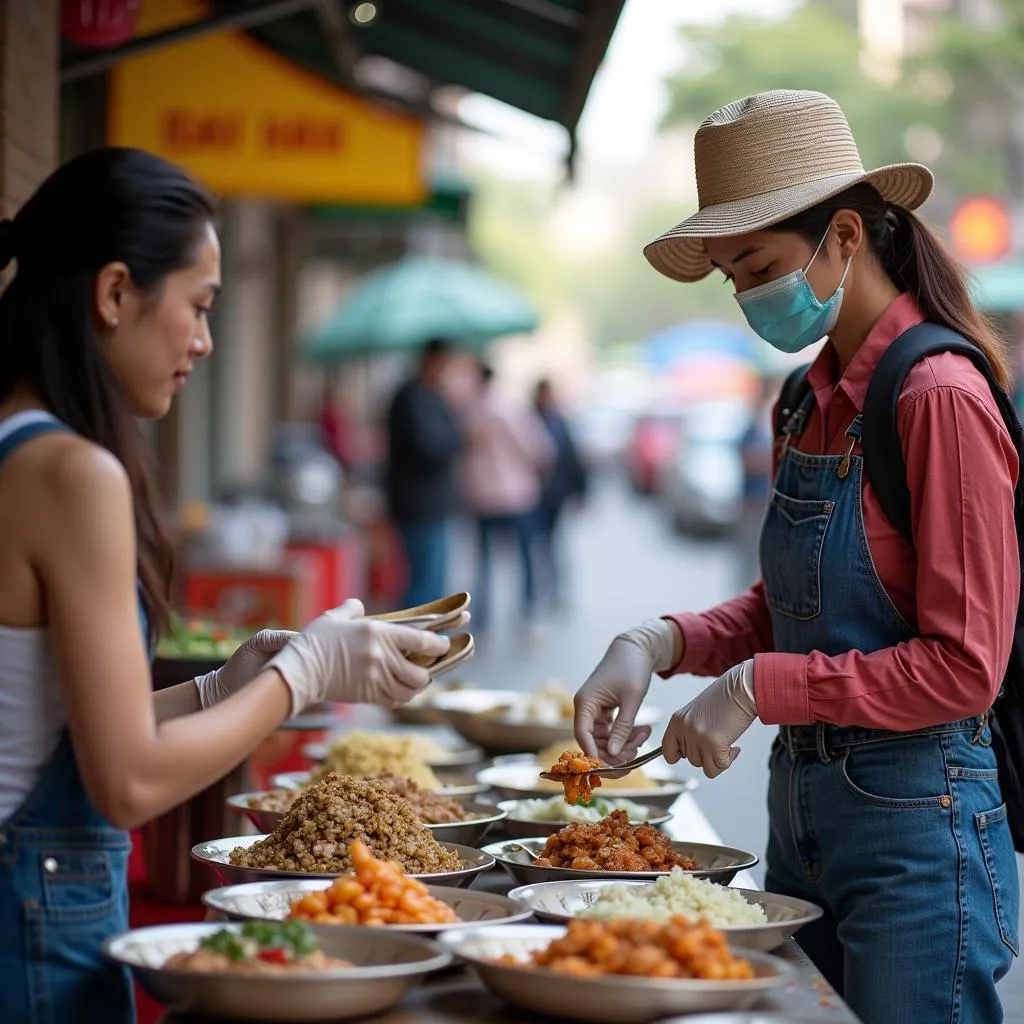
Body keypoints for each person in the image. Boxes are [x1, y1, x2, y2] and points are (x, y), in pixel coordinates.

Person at [573, 90, 1020, 1024]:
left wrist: (755, 690)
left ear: (845, 235)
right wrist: (654, 642)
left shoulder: (936, 396)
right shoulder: (801, 400)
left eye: (759, 265)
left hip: (920, 828)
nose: (746, 296)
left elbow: (967, 666)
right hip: (803, 817)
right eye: (731, 277)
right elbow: (799, 601)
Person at [0, 147, 454, 1023]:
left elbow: (53, 733)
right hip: (32, 930)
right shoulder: (71, 474)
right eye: (199, 307)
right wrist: (302, 678)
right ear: (115, 293)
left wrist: (221, 685)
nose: (205, 342)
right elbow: (126, 782)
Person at [460, 361, 553, 636]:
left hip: (482, 497)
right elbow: (540, 448)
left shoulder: (469, 411)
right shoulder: (510, 407)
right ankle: (527, 616)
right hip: (517, 495)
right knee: (525, 560)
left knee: (484, 562)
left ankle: (482, 622)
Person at [385, 338, 463, 607]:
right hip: (418, 505)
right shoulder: (411, 398)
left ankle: (426, 643)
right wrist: (459, 438)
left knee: (434, 582)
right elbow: (428, 447)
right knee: (423, 585)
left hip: (431, 504)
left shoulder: (430, 396)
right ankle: (411, 644)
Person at [533, 378, 588, 610]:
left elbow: (572, 458)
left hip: (556, 494)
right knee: (539, 545)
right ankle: (540, 591)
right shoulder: (531, 420)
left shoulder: (560, 422)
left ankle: (556, 591)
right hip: (535, 496)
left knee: (556, 544)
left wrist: (581, 491)